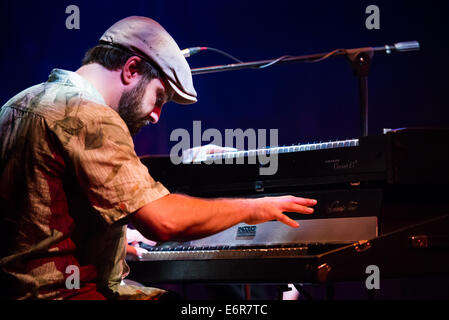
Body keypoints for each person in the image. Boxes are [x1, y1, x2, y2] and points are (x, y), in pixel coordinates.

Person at [0, 16, 317, 300]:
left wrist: (115, 241)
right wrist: (253, 208)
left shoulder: (17, 104)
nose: (156, 115)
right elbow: (163, 222)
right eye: (158, 98)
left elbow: (34, 215)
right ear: (132, 69)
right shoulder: (91, 115)